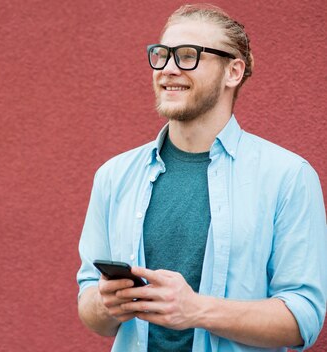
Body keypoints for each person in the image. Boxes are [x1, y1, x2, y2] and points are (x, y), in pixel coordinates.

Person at [76, 4, 327, 352]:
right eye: (161, 55)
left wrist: (197, 310)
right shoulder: (114, 176)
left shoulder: (289, 177)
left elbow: (304, 318)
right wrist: (105, 304)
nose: (168, 69)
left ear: (233, 72)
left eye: (188, 56)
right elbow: (90, 306)